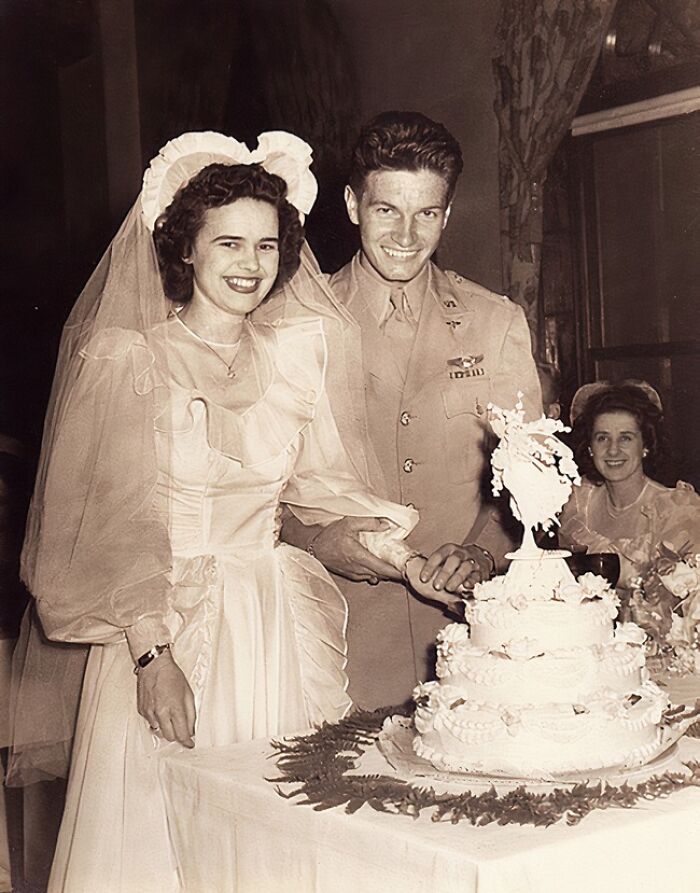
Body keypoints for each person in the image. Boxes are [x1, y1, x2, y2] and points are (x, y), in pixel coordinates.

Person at [10, 131, 435, 893]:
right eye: (229, 242)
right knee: (164, 839)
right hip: (163, 631)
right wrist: (151, 657)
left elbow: (320, 488)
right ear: (186, 251)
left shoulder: (298, 354)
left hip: (269, 626)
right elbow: (104, 532)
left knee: (277, 840)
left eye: (267, 245)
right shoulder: (128, 360)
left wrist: (405, 559)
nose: (249, 264)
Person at [256, 112, 542, 707]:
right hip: (335, 640)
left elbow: (532, 484)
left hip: (475, 646)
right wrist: (319, 541)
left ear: (447, 214)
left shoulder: (496, 322)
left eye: (427, 213)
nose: (407, 235)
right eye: (387, 210)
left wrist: (482, 552)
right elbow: (254, 495)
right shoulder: (288, 322)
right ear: (354, 205)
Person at [559, 381, 700, 593]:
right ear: (590, 448)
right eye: (602, 438)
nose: (612, 450)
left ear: (645, 446)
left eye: (625, 438)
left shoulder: (678, 510)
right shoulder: (577, 503)